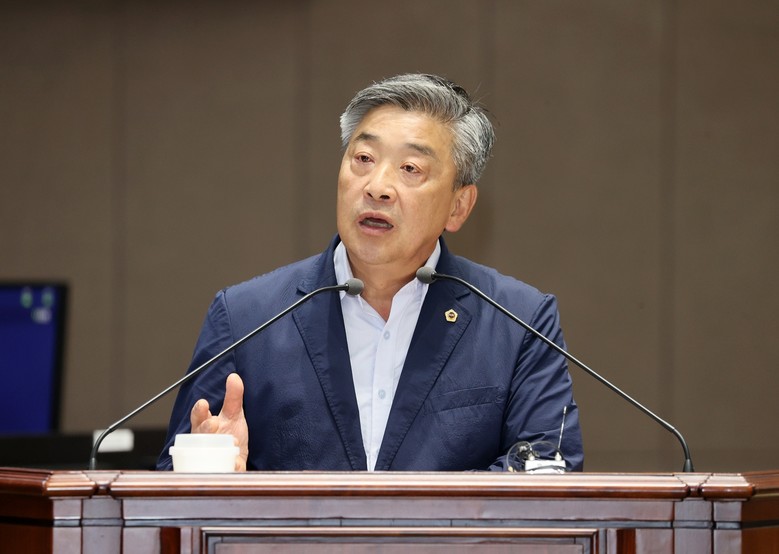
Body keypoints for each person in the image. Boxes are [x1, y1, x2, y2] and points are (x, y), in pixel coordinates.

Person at [157, 73, 583, 472]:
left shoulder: (518, 322)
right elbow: (166, 495)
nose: (377, 186)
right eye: (363, 158)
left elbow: (548, 471)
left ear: (458, 206)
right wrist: (211, 474)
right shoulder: (246, 317)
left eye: (410, 169)